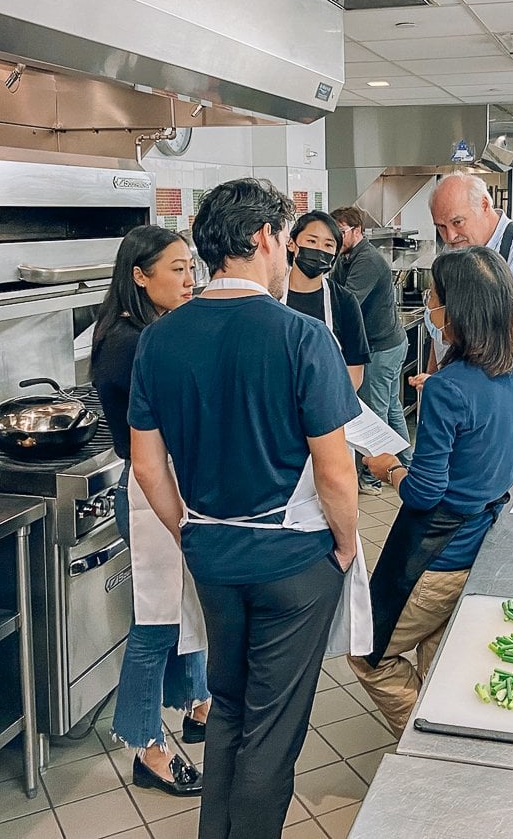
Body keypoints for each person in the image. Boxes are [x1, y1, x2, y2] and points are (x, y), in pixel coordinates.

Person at [129, 177, 367, 839]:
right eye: (286, 239)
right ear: (265, 237)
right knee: (272, 728)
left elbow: (146, 464)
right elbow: (335, 471)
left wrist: (188, 530)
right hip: (293, 561)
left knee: (228, 706)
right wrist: (346, 544)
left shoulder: (160, 340)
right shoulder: (302, 337)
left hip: (212, 556)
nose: (288, 253)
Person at [350, 247, 513, 736]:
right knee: (438, 653)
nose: (429, 305)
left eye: (434, 297)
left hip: (439, 557)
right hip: (482, 544)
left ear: (457, 310)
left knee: (367, 655)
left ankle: (428, 743)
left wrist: (389, 467)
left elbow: (424, 493)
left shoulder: (449, 390)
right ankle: (445, 728)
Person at [91, 225, 207, 796]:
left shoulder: (150, 330)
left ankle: (197, 704)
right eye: (177, 269)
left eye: (191, 268)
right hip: (147, 488)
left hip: (171, 480)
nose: (189, 280)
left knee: (185, 605)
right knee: (157, 620)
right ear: (140, 275)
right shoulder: (130, 342)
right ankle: (146, 748)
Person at [427, 173, 513, 444]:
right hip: (460, 403)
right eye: (441, 227)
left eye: (457, 222)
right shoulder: (454, 252)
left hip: (507, 410)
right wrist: (433, 382)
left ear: (484, 205)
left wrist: (512, 419)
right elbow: (441, 333)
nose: (450, 236)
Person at [331, 206, 413, 496]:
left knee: (376, 414)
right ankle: (408, 464)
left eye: (340, 232)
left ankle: (373, 478)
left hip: (382, 347)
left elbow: (346, 302)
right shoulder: (346, 257)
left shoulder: (366, 260)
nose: (336, 238)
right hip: (385, 343)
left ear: (357, 231)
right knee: (391, 408)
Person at [285, 210, 370, 390]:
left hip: (327, 400)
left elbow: (355, 370)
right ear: (291, 243)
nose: (319, 249)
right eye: (311, 241)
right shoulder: (271, 295)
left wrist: (331, 402)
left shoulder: (344, 302)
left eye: (328, 245)